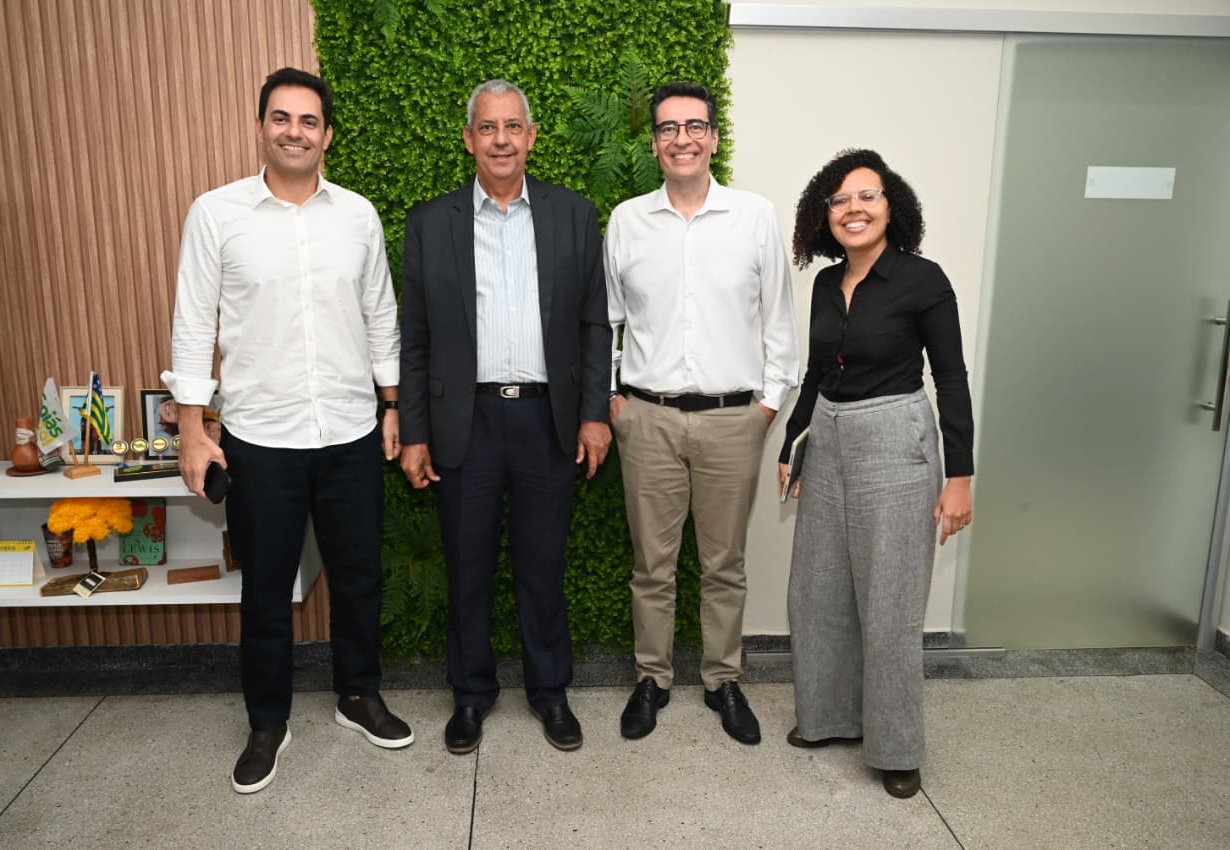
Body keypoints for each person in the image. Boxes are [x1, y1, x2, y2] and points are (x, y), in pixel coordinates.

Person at [163, 67, 412, 795]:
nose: (295, 130)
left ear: (327, 135)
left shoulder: (357, 216)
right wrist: (190, 428)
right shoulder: (216, 214)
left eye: (308, 120)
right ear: (262, 125)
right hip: (259, 438)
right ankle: (267, 720)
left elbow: (381, 318)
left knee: (360, 578)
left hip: (349, 433)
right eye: (281, 117)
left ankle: (358, 694)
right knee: (266, 590)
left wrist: (392, 406)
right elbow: (191, 325)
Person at [399, 79, 611, 755]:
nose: (500, 139)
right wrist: (414, 429)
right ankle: (471, 695)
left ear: (531, 136)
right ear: (468, 139)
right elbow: (416, 338)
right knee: (468, 567)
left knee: (542, 566)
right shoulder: (429, 223)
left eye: (511, 127)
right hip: (466, 423)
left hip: (548, 422)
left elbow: (593, 325)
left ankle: (551, 694)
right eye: (486, 128)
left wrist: (594, 415)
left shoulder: (574, 215)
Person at [605, 82, 800, 745]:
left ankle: (722, 680)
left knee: (724, 563)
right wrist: (616, 401)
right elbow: (608, 322)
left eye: (694, 126)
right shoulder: (627, 221)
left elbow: (779, 321)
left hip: (732, 420)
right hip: (648, 419)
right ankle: (652, 678)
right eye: (667, 128)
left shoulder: (754, 216)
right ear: (654, 142)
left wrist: (765, 406)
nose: (681, 138)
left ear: (715, 137)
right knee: (651, 564)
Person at [778, 148, 974, 799]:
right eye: (840, 199)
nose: (854, 208)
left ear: (892, 206)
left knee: (889, 604)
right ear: (823, 215)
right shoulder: (825, 283)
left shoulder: (923, 279)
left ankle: (895, 745)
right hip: (830, 436)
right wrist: (793, 441)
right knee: (819, 588)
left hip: (896, 438)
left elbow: (951, 379)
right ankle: (829, 718)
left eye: (868, 196)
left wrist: (960, 476)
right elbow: (816, 372)